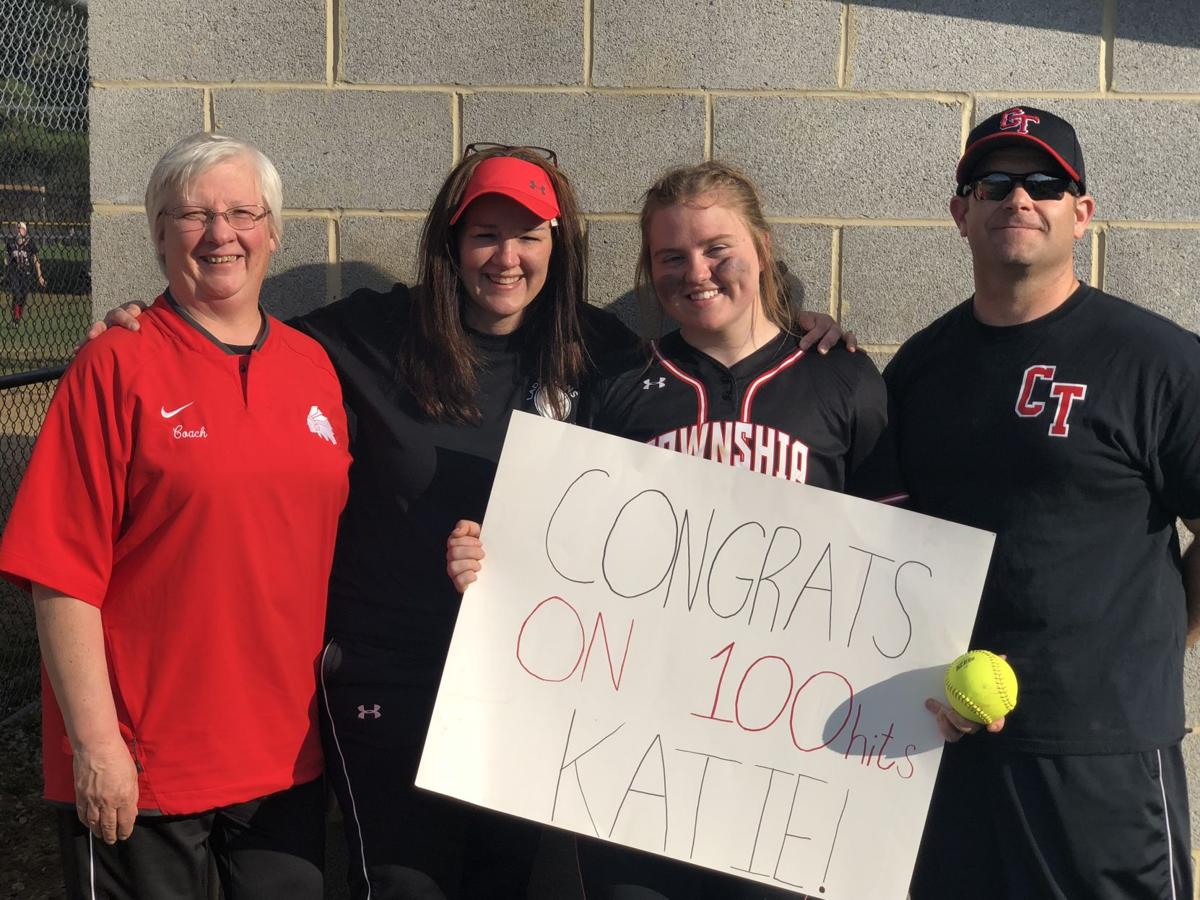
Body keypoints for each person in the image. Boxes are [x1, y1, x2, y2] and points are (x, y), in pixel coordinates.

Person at [92, 145, 852, 899]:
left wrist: (803, 329)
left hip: (524, 684)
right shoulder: (369, 334)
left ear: (559, 244)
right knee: (403, 886)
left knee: (499, 884)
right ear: (451, 245)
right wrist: (151, 323)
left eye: (528, 235)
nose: (507, 256)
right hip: (390, 678)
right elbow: (236, 328)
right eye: (485, 234)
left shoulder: (601, 355)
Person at [447, 160, 903, 899]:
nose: (697, 271)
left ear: (760, 247)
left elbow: (896, 572)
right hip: (642, 762)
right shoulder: (618, 386)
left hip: (790, 762)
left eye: (718, 248)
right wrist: (492, 561)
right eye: (671, 257)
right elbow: (565, 554)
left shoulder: (842, 379)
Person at [0, 132, 351, 898]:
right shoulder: (114, 365)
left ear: (273, 231)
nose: (220, 233)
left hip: (284, 757)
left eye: (241, 213)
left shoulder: (313, 368)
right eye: (191, 215)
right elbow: (60, 572)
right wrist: (96, 745)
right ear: (159, 235)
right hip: (145, 761)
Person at [886, 107, 1199, 899]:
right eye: (991, 183)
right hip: (946, 739)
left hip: (1102, 754)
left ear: (1081, 214)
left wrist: (1164, 639)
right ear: (961, 212)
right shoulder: (920, 367)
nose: (1017, 198)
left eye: (1045, 183)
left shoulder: (1158, 360)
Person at [5, 220, 46, 324]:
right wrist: (7, 266)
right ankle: (16, 317)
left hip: (26, 273)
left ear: (25, 231)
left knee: (23, 296)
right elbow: (7, 257)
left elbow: (36, 260)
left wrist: (40, 276)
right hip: (14, 272)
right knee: (17, 293)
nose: (18, 230)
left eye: (21, 228)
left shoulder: (30, 243)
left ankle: (16, 317)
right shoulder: (11, 242)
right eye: (17, 228)